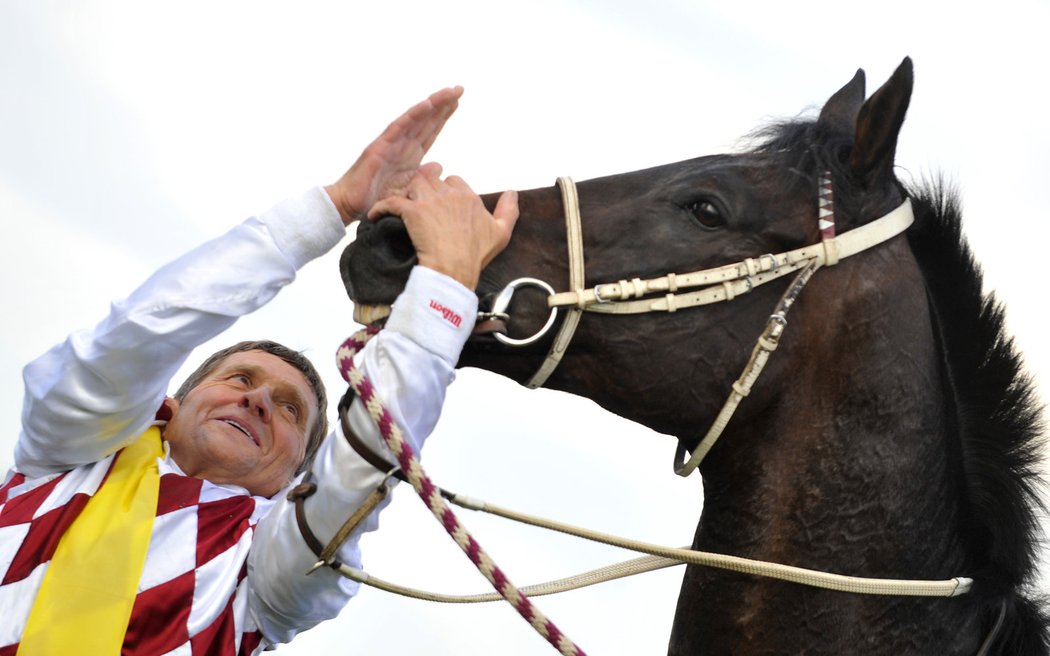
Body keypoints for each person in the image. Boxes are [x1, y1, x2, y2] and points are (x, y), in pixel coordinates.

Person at [0, 87, 519, 654]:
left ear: (296, 479)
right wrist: (334, 206)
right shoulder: (66, 456)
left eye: (289, 408)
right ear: (168, 406)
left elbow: (356, 473)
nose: (258, 402)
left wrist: (445, 286)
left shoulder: (265, 577)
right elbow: (143, 332)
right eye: (240, 379)